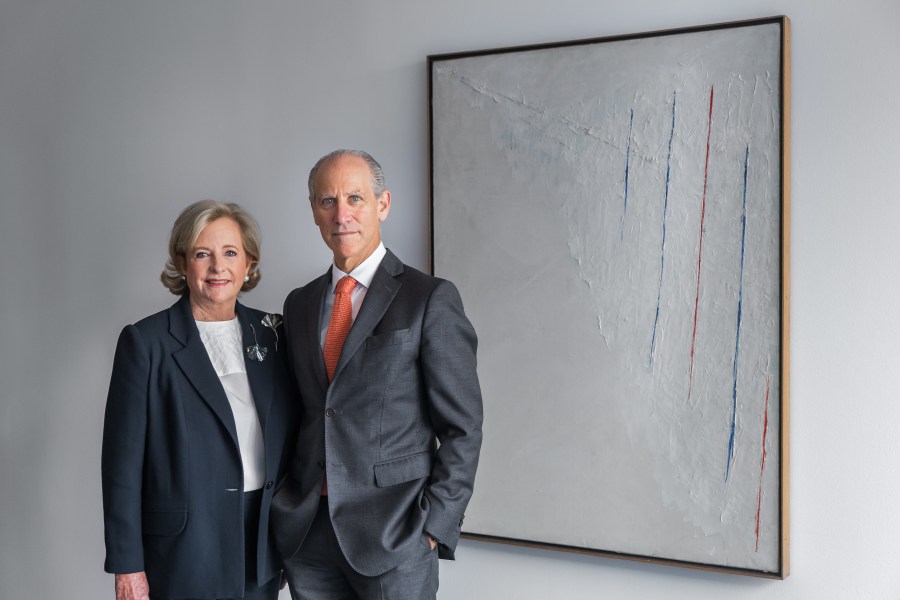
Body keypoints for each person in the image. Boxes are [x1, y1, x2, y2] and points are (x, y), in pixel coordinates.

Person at [270, 149, 484, 599]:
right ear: (313, 211)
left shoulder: (429, 299)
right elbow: (300, 413)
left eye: (355, 198)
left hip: (396, 534)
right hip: (309, 535)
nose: (341, 214)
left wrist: (435, 525)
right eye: (328, 201)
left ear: (383, 204)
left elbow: (463, 427)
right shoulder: (300, 304)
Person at [101, 200, 299, 600]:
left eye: (230, 253)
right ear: (182, 262)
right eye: (202, 254)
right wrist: (128, 565)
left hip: (259, 540)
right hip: (183, 548)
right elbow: (121, 465)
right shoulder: (146, 342)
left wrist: (283, 536)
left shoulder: (273, 333)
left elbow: (292, 437)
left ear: (249, 263)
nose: (217, 267)